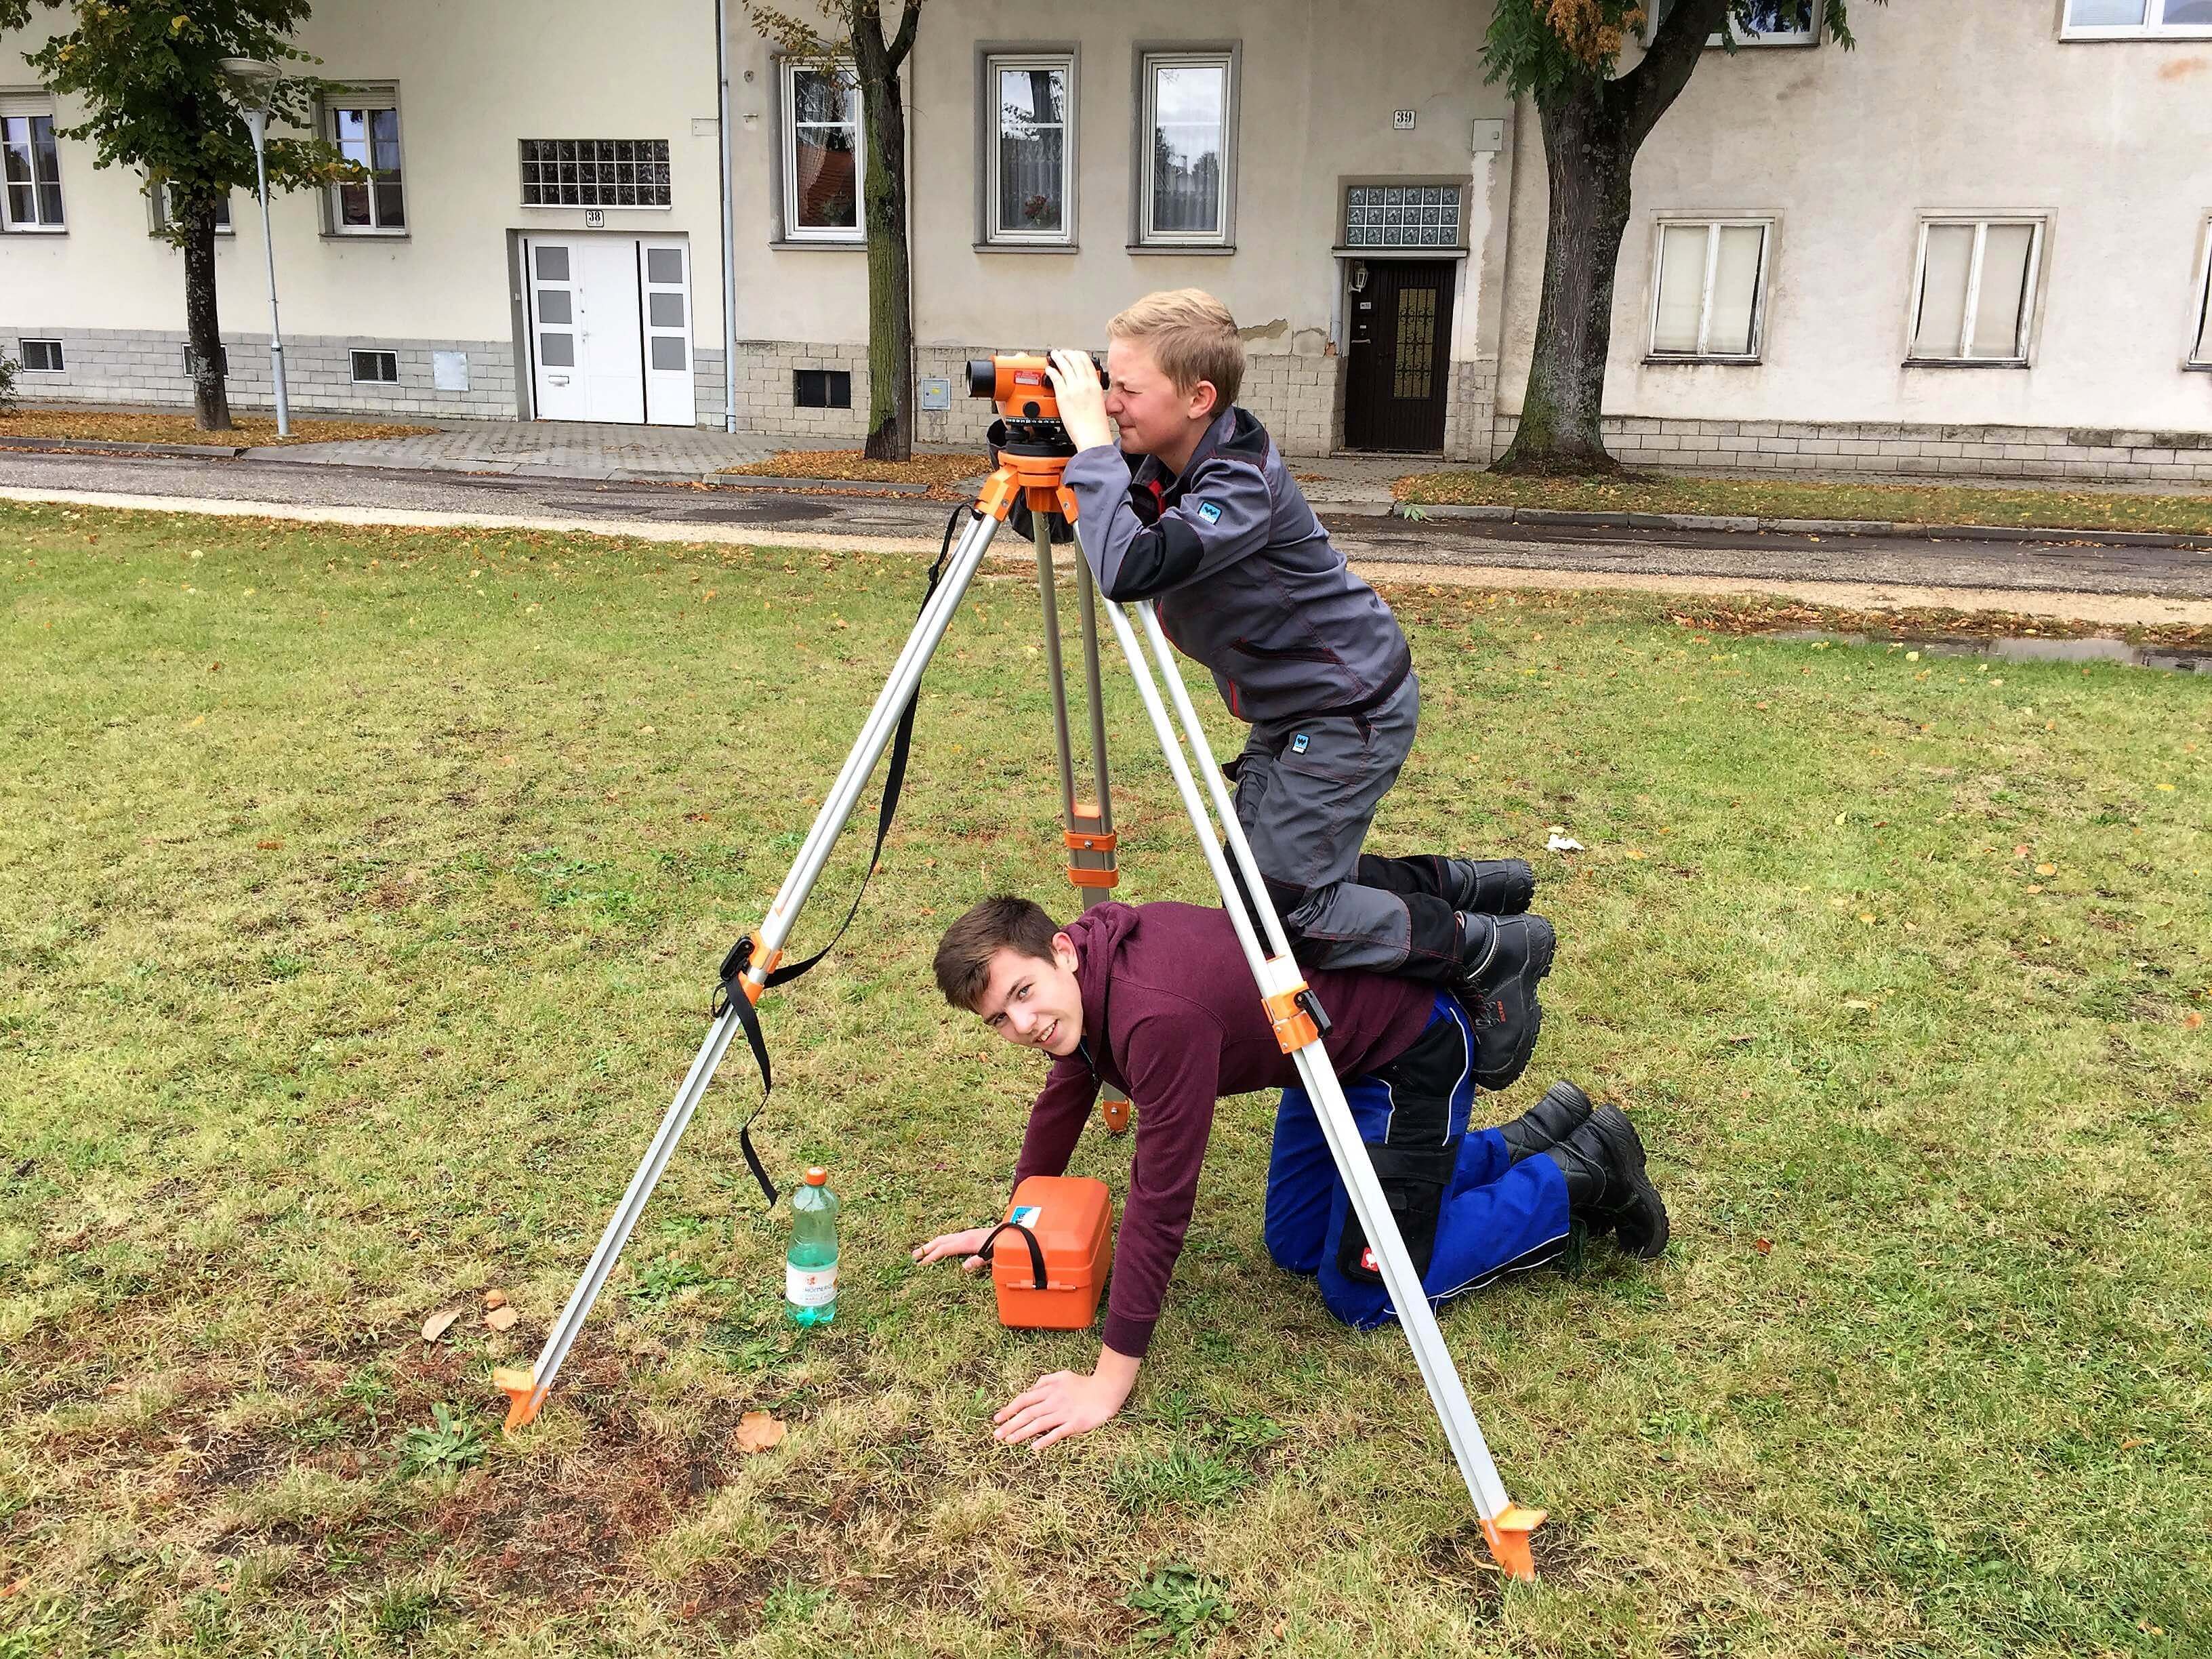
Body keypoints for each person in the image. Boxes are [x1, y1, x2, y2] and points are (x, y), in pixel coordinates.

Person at [912, 896, 1668, 1450]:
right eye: (998, 1020)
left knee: (1359, 1290)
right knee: (1298, 1243)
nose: (1023, 1025)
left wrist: (1110, 1379)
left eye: (1023, 994)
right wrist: (1019, 1223)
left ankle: (1579, 1175)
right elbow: (1067, 1087)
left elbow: (1162, 1198)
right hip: (1325, 1063)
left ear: (1060, 953)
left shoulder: (1155, 1018)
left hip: (1411, 1055)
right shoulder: (1090, 970)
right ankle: (1524, 1141)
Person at [1042, 290, 1555, 1091]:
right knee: (1255, 891)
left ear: (1198, 398)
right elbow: (1108, 524)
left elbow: (1129, 566)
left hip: (1347, 710)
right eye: (1105, 382)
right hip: (1296, 710)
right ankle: (1467, 883)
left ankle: (1486, 948)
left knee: (1284, 914)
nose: (1107, 403)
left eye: (1126, 391)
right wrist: (1077, 462)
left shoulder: (1235, 483)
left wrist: (1093, 451)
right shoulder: (1166, 462)